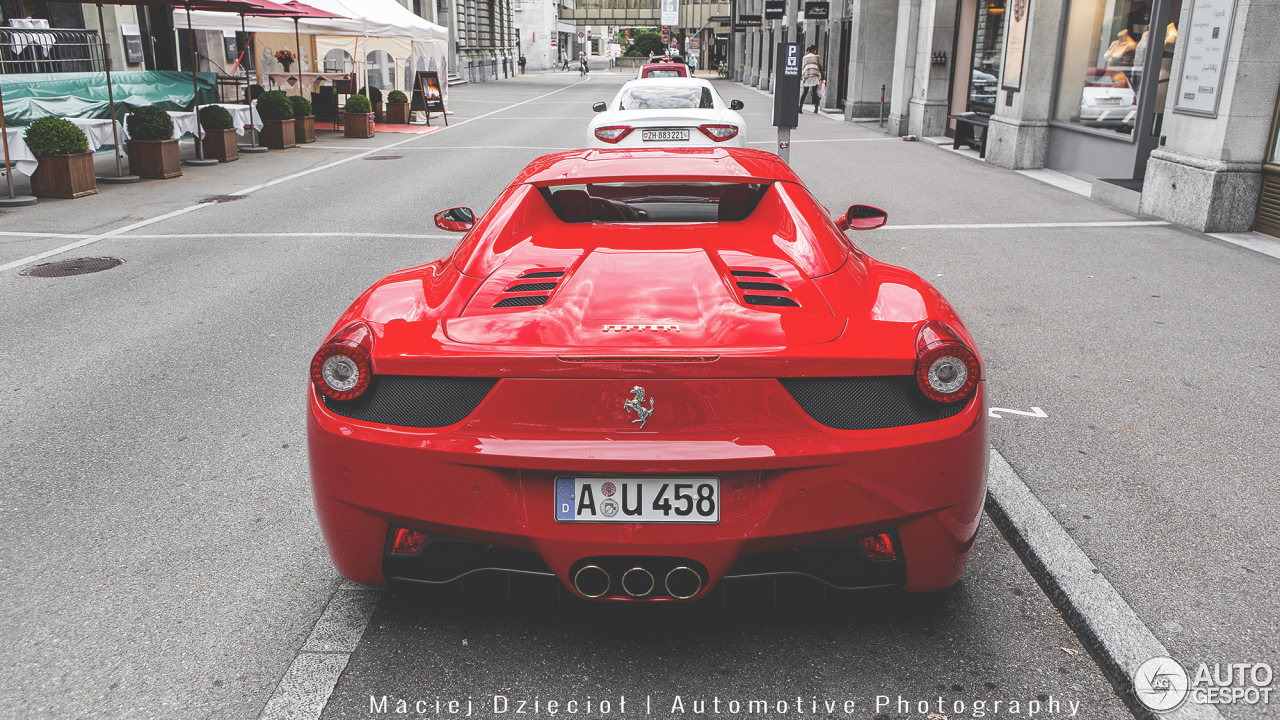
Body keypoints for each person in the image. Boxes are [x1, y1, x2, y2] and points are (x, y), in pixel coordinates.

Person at [800, 45, 822, 114]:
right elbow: (820, 66)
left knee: (805, 92)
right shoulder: (816, 57)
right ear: (813, 50)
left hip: (807, 75)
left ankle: (800, 107)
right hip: (815, 75)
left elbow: (803, 67)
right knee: (814, 92)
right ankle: (816, 108)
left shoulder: (805, 58)